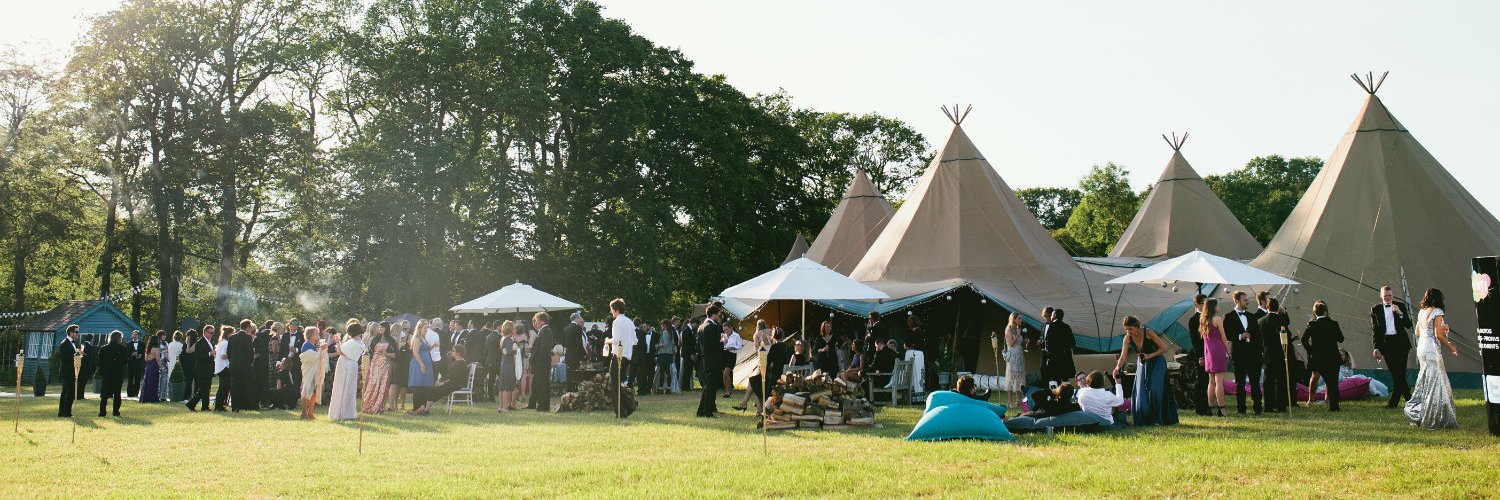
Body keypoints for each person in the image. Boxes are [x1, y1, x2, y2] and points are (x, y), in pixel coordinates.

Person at [1406, 288, 1459, 429]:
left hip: (1421, 348)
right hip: (1431, 348)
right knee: (1437, 381)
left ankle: (1421, 413)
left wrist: (1441, 328)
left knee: (1425, 380)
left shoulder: (1421, 312)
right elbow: (1438, 335)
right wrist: (1451, 347)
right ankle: (1435, 417)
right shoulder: (1437, 312)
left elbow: (1417, 332)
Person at [1112, 316, 1178, 426]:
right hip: (1143, 364)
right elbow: (1123, 356)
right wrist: (1117, 367)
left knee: (1156, 389)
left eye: (1130, 329)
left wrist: (1149, 355)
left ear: (1137, 327)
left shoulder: (1148, 332)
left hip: (1157, 362)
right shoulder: (1127, 338)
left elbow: (1163, 348)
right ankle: (1145, 418)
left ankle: (1159, 419)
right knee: (1141, 391)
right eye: (1126, 329)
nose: (1128, 331)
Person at [1371, 285, 1415, 409]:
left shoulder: (1400, 305)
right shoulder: (1375, 309)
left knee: (1400, 374)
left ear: (1392, 295)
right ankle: (1411, 401)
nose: (1388, 298)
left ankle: (1394, 403)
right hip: (1387, 344)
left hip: (1401, 343)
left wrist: (1400, 313)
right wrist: (1376, 348)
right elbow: (1375, 330)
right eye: (1385, 296)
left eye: (1390, 295)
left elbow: (1408, 325)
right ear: (1381, 296)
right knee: (1396, 375)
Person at [1301, 300, 1345, 412]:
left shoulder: (1312, 324)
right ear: (1325, 312)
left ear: (1315, 313)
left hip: (1318, 357)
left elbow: (1304, 339)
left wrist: (1311, 351)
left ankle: (1312, 399)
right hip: (1332, 356)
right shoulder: (1333, 324)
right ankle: (1334, 406)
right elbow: (1341, 339)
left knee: (1316, 377)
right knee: (1333, 382)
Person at [1225, 291, 1262, 415]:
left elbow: (1258, 335)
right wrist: (1239, 336)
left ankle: (1258, 408)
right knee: (1239, 382)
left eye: (1247, 299)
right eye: (1245, 300)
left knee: (1255, 382)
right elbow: (1226, 334)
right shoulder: (1229, 316)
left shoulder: (1251, 316)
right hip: (1238, 354)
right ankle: (1241, 408)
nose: (1247, 302)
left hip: (1253, 354)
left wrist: (1259, 350)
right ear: (1237, 302)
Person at [408, 345, 472, 416]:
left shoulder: (461, 364)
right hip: (451, 383)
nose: (451, 352)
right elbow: (449, 375)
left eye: (453, 350)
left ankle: (425, 411)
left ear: (458, 353)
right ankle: (421, 410)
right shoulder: (456, 361)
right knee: (432, 390)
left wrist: (442, 382)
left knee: (433, 390)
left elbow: (453, 377)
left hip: (455, 385)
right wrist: (440, 380)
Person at [1257, 298, 1292, 413]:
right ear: (1277, 308)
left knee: (1268, 380)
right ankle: (1281, 405)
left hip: (1267, 353)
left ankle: (1268, 405)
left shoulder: (1261, 321)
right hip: (1280, 353)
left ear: (1267, 307)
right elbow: (1287, 334)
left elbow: (1258, 339)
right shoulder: (1281, 320)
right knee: (1281, 379)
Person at [328, 323, 365, 420]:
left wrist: (337, 341)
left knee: (341, 386)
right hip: (352, 364)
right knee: (349, 387)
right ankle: (347, 411)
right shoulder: (360, 342)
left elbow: (340, 352)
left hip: (345, 363)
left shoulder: (353, 342)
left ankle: (341, 412)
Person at [1201, 299, 1230, 417]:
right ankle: (1221, 409)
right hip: (1218, 350)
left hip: (1208, 352)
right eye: (1217, 305)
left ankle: (1210, 408)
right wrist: (1228, 351)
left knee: (1211, 381)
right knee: (1219, 382)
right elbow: (1223, 337)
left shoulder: (1203, 320)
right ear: (1214, 307)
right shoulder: (1217, 319)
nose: (1219, 307)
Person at [696, 305, 725, 418]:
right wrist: (723, 341)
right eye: (718, 315)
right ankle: (706, 411)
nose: (719, 317)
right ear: (714, 315)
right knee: (710, 386)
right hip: (713, 360)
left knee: (708, 385)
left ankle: (702, 410)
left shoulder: (701, 326)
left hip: (705, 359)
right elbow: (715, 345)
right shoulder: (712, 327)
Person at [609, 298, 637, 411]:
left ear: (616, 310)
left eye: (611, 309)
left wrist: (607, 341)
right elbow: (635, 341)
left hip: (618, 355)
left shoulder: (617, 322)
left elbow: (616, 340)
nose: (611, 312)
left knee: (614, 383)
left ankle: (623, 409)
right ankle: (627, 406)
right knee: (619, 382)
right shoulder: (630, 322)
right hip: (627, 355)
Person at [95, 331, 130, 417]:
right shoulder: (123, 349)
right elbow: (126, 361)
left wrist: (102, 372)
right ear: (119, 338)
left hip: (107, 374)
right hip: (118, 373)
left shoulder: (104, 348)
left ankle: (102, 412)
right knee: (117, 393)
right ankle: (116, 411)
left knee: (104, 394)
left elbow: (99, 362)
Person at [362, 323, 395, 414]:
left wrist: (387, 354)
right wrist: (365, 345)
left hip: (385, 364)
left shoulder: (391, 340)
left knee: (381, 385)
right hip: (374, 363)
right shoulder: (375, 339)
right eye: (379, 327)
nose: (379, 328)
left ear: (386, 329)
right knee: (372, 383)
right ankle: (368, 405)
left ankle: (378, 406)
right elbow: (369, 351)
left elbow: (396, 354)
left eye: (382, 327)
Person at [297, 327, 329, 420]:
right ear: (310, 335)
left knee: (315, 391)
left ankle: (310, 412)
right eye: (316, 333)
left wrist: (322, 350)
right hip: (309, 371)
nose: (318, 335)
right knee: (306, 390)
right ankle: (304, 413)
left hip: (315, 372)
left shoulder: (314, 345)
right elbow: (311, 359)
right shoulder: (306, 345)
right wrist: (321, 350)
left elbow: (318, 357)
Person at [528, 312, 556, 411]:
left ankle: (543, 405)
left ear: (542, 321)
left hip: (542, 362)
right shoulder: (543, 331)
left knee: (543, 384)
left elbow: (544, 348)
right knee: (538, 383)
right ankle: (535, 404)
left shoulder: (546, 331)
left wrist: (537, 360)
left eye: (536, 320)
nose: (535, 322)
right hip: (540, 362)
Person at [1040, 308, 1076, 387]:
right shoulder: (1066, 327)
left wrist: (1048, 351)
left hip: (1054, 357)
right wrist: (1064, 348)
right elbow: (1073, 343)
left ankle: (1056, 393)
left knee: (1054, 378)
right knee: (1065, 379)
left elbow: (1048, 343)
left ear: (1055, 315)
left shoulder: (1051, 326)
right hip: (1065, 357)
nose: (1051, 317)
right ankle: (1067, 392)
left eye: (1052, 315)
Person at [184, 328, 215, 412]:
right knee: (204, 388)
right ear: (205, 332)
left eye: (213, 333)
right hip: (202, 369)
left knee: (206, 388)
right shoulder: (200, 342)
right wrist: (210, 353)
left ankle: (204, 406)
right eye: (210, 332)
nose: (212, 334)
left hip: (208, 368)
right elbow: (198, 356)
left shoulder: (209, 342)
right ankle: (192, 404)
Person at [227, 320, 255, 411]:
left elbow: (228, 352)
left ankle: (235, 407)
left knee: (235, 387)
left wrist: (232, 361)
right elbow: (250, 353)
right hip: (245, 366)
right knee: (247, 385)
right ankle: (248, 405)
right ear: (247, 327)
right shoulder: (248, 338)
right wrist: (250, 362)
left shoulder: (232, 337)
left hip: (234, 365)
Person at [408, 320, 438, 403]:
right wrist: (421, 364)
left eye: (427, 328)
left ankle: (422, 406)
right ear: (419, 328)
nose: (426, 329)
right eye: (425, 328)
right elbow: (415, 353)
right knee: (418, 386)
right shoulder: (417, 339)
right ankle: (416, 407)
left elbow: (425, 351)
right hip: (418, 364)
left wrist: (433, 346)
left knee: (425, 386)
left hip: (426, 364)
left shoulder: (424, 339)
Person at [1003, 313, 1026, 409]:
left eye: (1021, 318)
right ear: (1014, 319)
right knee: (1011, 377)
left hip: (1019, 355)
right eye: (1019, 318)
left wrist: (1024, 340)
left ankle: (1019, 401)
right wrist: (1017, 335)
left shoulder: (1018, 328)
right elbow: (1011, 343)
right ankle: (1009, 401)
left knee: (1019, 377)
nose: (1021, 320)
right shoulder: (1008, 329)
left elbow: (1018, 343)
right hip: (1012, 355)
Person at [497, 320, 521, 413]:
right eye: (514, 328)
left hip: (504, 363)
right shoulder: (508, 339)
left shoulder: (503, 338)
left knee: (502, 386)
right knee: (507, 386)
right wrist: (516, 349)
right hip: (508, 364)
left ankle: (500, 406)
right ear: (510, 329)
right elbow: (508, 351)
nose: (515, 329)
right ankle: (505, 407)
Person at [57, 325, 80, 417]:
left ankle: (62, 412)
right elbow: (65, 358)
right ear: (71, 333)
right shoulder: (64, 343)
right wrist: (76, 355)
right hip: (67, 371)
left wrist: (78, 354)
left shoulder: (72, 343)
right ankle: (67, 413)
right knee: (70, 392)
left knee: (65, 392)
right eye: (76, 332)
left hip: (71, 371)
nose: (78, 334)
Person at [389, 321, 411, 412]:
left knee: (404, 384)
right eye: (404, 328)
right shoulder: (396, 337)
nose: (406, 330)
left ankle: (402, 403)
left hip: (406, 361)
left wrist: (409, 344)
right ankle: (394, 404)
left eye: (408, 328)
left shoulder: (410, 336)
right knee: (396, 383)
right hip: (398, 360)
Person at [213, 326, 233, 412]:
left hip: (220, 367)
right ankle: (218, 406)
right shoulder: (225, 343)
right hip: (224, 367)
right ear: (229, 334)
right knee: (223, 388)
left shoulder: (221, 342)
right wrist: (233, 355)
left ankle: (219, 405)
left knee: (223, 388)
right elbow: (223, 356)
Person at [655, 319, 677, 395]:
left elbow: (665, 344)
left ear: (664, 325)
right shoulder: (671, 333)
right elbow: (673, 344)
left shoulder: (665, 332)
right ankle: (669, 388)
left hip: (663, 354)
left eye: (661, 324)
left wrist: (657, 346)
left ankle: (661, 388)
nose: (661, 326)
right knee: (668, 372)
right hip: (669, 354)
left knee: (662, 372)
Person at [140, 335, 163, 404]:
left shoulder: (148, 349)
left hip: (148, 365)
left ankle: (145, 397)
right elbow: (158, 360)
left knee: (147, 381)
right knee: (154, 381)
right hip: (154, 365)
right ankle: (152, 397)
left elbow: (145, 359)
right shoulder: (156, 349)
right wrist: (161, 367)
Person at [76, 335, 96, 402]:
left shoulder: (83, 344)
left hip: (81, 366)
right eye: (92, 339)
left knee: (81, 381)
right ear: (91, 339)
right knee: (82, 382)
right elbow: (87, 357)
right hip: (85, 367)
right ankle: (79, 396)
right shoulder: (88, 346)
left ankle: (80, 395)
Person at [127, 330, 144, 398]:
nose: (134, 336)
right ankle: (129, 393)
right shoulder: (128, 344)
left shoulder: (142, 343)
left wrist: (141, 355)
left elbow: (144, 352)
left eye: (136, 334)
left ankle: (136, 393)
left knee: (138, 378)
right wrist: (131, 354)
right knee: (130, 378)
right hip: (131, 363)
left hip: (139, 363)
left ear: (138, 336)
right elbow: (126, 353)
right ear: (132, 335)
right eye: (133, 334)